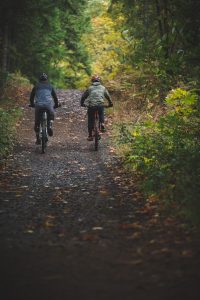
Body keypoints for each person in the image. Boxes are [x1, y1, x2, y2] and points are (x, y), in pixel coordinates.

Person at [29, 73, 60, 144]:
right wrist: (56, 105)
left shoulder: (36, 86)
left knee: (37, 122)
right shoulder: (50, 86)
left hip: (38, 105)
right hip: (48, 105)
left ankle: (38, 139)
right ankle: (49, 126)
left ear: (39, 80)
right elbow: (55, 97)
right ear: (47, 79)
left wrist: (32, 104)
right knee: (51, 115)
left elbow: (31, 97)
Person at [80, 75, 113, 141]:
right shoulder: (103, 88)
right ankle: (102, 124)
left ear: (92, 81)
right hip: (100, 105)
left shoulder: (90, 88)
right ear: (99, 81)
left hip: (91, 106)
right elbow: (108, 97)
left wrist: (82, 103)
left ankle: (90, 136)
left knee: (90, 119)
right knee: (101, 113)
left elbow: (83, 97)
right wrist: (110, 104)